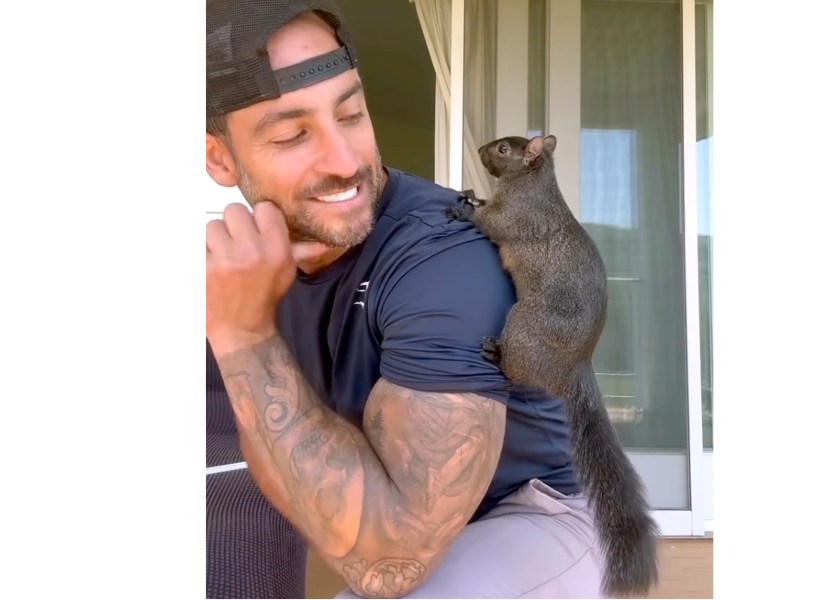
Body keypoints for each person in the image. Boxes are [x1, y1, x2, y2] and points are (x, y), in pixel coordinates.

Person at [205, 1, 605, 597]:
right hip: (391, 508)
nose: (344, 162)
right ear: (219, 157)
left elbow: (391, 561)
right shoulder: (252, 256)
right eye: (292, 135)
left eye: (353, 114)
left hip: (533, 512)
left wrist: (243, 333)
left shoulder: (446, 259)